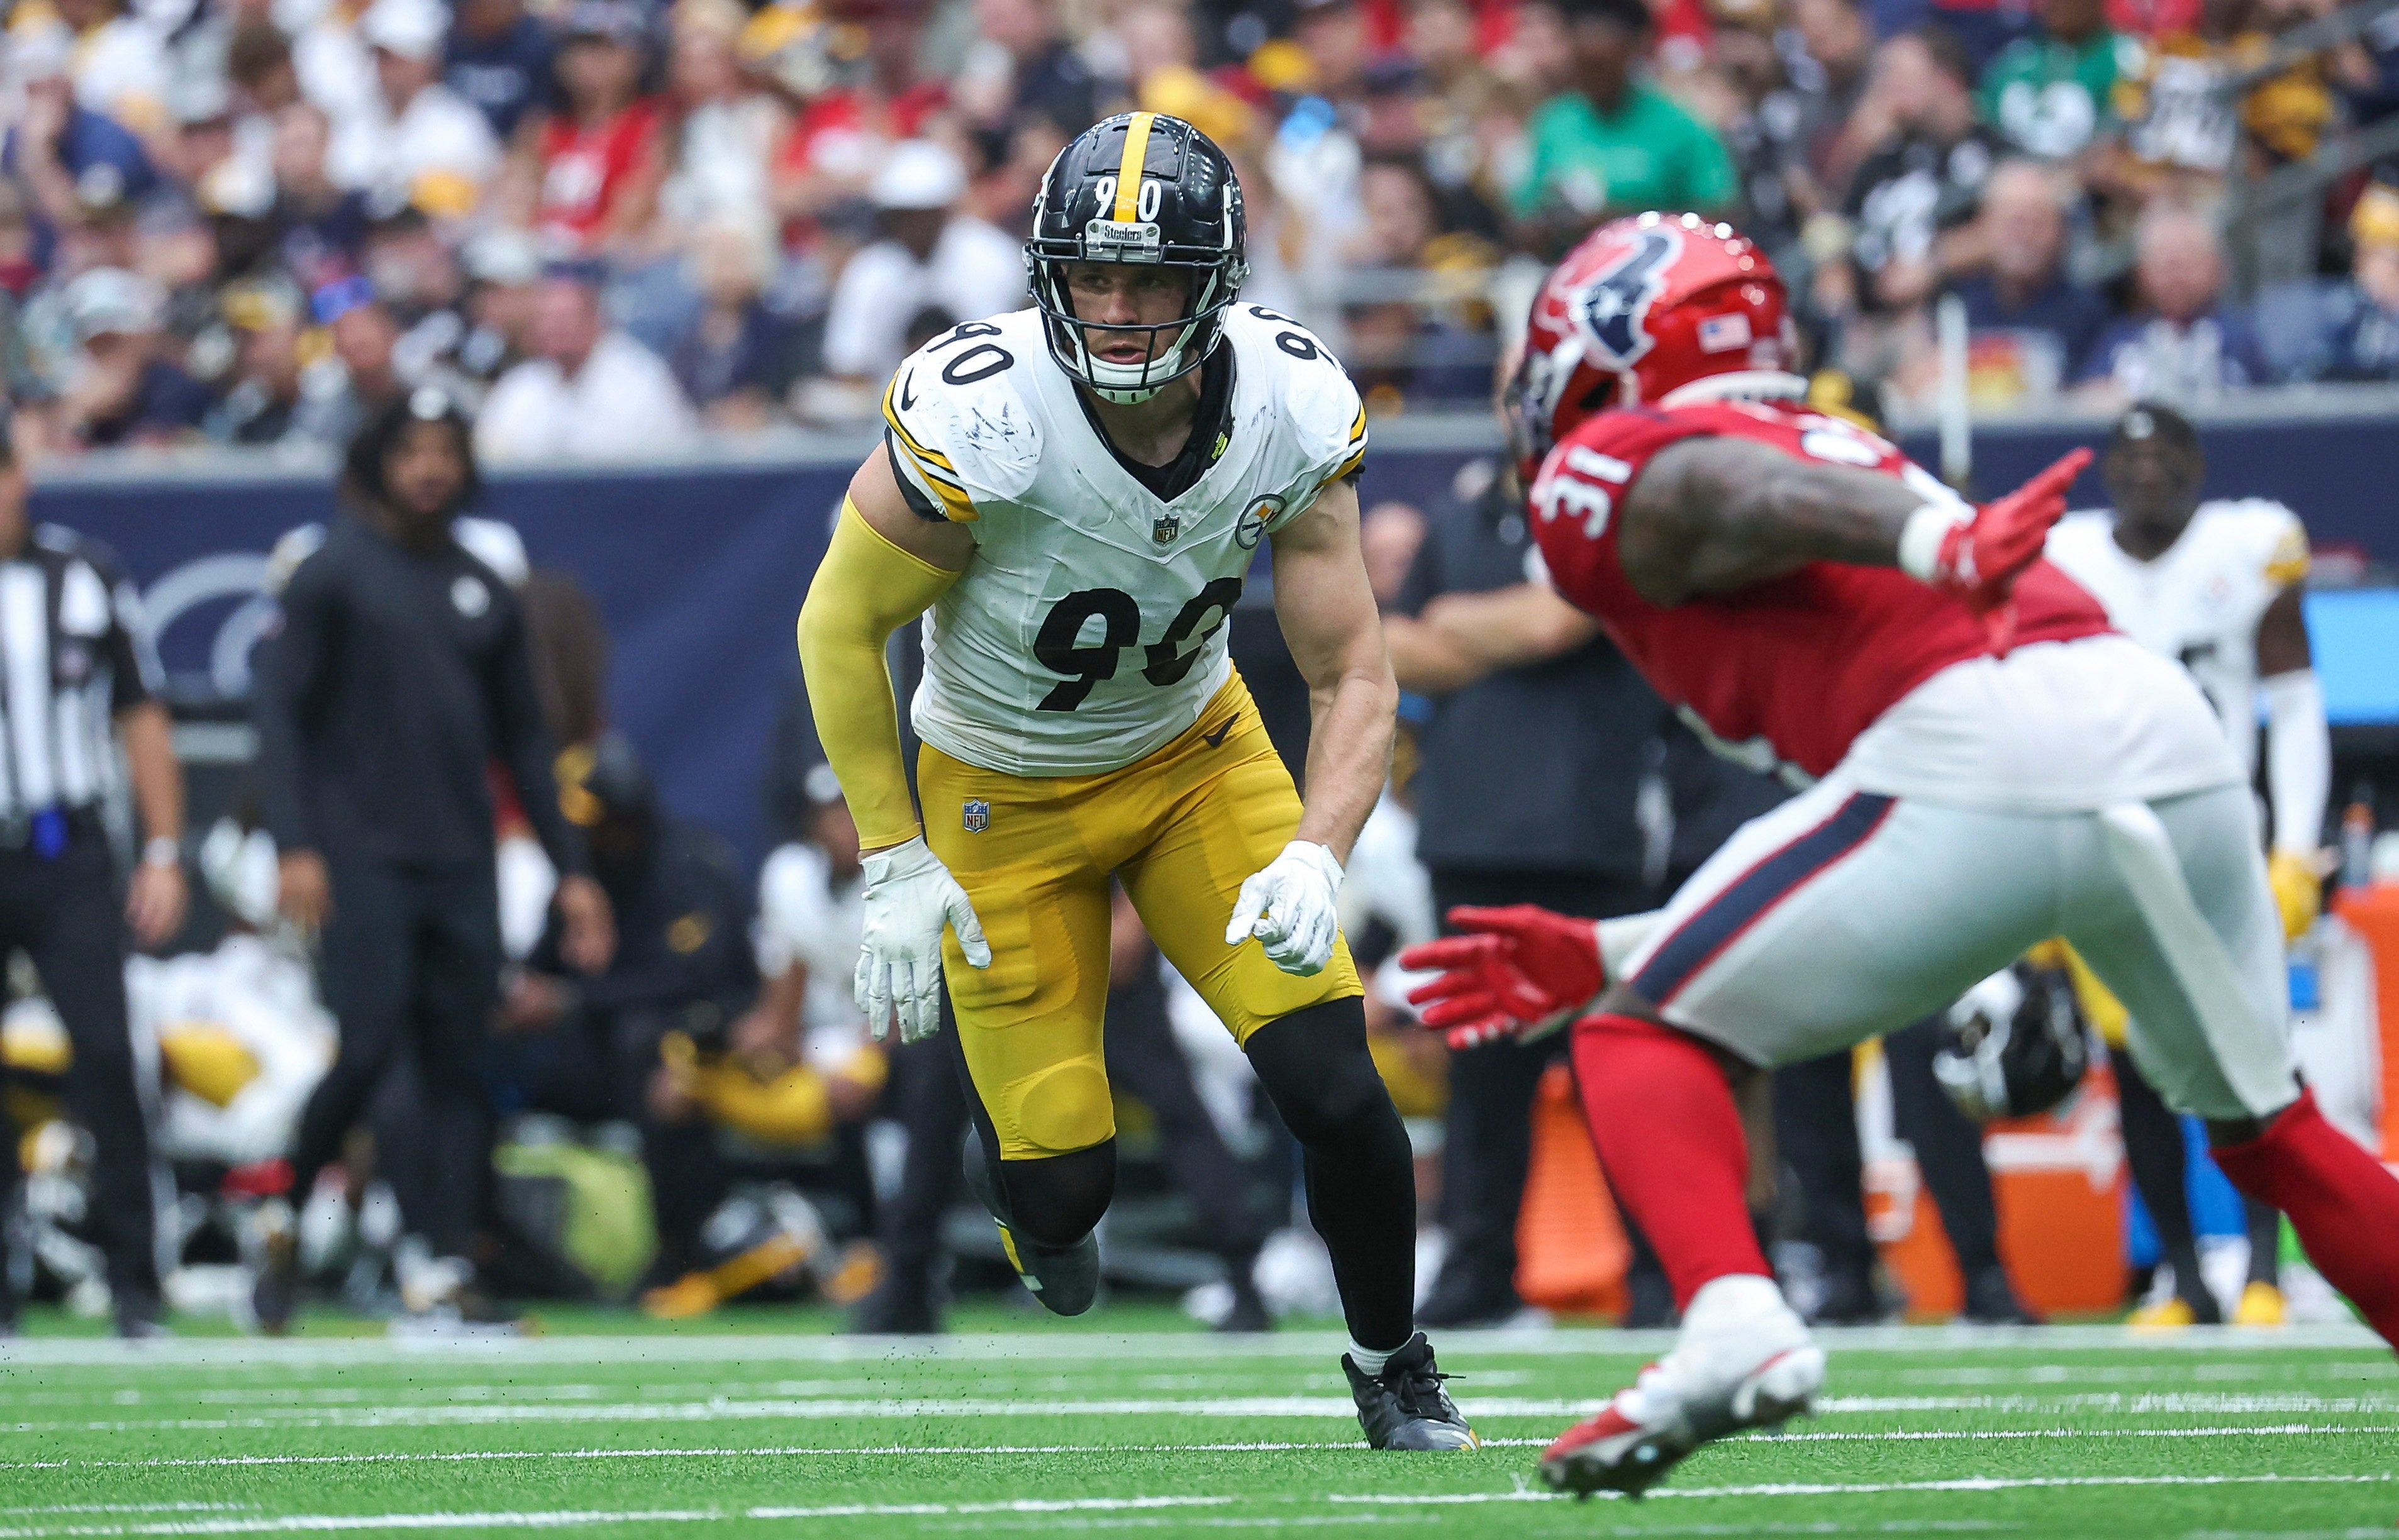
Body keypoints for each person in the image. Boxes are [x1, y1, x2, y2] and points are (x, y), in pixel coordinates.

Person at [1400, 212, 2399, 1497]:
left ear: (1600, 352)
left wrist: (1923, 543)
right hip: (2150, 724)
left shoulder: (1615, 459)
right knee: (2270, 1127)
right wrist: (1610, 943)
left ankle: (1731, 1323)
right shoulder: (1838, 433)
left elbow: (1716, 488)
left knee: (1639, 1037)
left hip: (1975, 738)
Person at [795, 113, 1474, 1451]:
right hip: (997, 788)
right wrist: (891, 854)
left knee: (1334, 1082)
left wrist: (1319, 848)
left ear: (1214, 285)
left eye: (1150, 279)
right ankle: (1037, 1223)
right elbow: (836, 624)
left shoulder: (1286, 401)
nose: (1115, 309)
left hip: (1189, 760)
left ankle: (1394, 1364)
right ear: (1048, 273)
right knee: (1062, 1189)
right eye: (1092, 277)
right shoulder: (983, 409)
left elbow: (1350, 674)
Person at [248, 389, 616, 1331]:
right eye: (411, 449)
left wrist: (570, 868)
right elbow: (281, 721)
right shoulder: (331, 574)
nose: (430, 469)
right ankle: (287, 1208)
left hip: (460, 860)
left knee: (459, 1061)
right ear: (377, 459)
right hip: (361, 858)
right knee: (372, 1051)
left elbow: (527, 746)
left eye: (446, 450)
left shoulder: (481, 585)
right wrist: (296, 845)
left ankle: (443, 1264)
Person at [2047, 401, 2324, 1327]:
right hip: (2108, 842)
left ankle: (2261, 1271)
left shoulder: (2250, 546)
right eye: (2128, 456)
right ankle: (2182, 1275)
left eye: (2166, 453)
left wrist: (2293, 844)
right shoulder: (2064, 557)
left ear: (2199, 463)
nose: (2148, 471)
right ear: (2103, 474)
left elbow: (2291, 704)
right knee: (2133, 1064)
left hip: (2216, 840)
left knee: (2248, 1058)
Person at [1379, 451, 1669, 1330]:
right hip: (1470, 831)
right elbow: (1392, 644)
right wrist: (1505, 626)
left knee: (1622, 1068)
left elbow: (1557, 623)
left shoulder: (1613, 516)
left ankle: (1659, 1272)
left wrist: (1459, 622)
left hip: (1593, 834)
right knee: (1482, 1078)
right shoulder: (1453, 517)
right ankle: (1479, 1272)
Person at [0, 431, 187, 1338]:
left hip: (64, 847)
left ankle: (135, 1279)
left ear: (19, 476)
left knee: (109, 1059)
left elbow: (141, 713)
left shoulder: (84, 577)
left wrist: (162, 850)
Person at [1509, 0, 1738, 253]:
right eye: (1584, 66)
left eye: (1602, 66)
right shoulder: (1555, 122)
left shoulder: (1682, 126)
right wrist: (1549, 224)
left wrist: (1621, 224)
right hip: (1569, 266)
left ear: (1632, 51)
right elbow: (1522, 217)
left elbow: (1719, 218)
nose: (1594, 78)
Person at [476, 272, 697, 462]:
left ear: (595, 321)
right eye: (547, 320)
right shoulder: (521, 387)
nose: (556, 329)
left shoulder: (641, 380)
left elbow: (668, 460)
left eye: (566, 319)